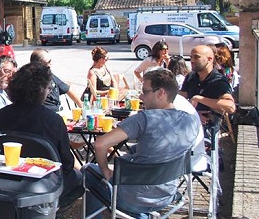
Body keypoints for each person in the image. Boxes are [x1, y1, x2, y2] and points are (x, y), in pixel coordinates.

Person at [84, 69, 200, 218]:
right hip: (167, 196)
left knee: (88, 170)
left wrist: (106, 171)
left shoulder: (145, 118)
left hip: (132, 199)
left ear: (161, 93)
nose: (140, 96)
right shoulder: (192, 120)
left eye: (145, 92)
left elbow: (100, 144)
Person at [0, 62, 83, 209]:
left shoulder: (0, 115)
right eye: (48, 88)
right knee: (79, 176)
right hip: (45, 183)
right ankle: (53, 211)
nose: (49, 92)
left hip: (9, 178)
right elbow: (66, 163)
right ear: (41, 90)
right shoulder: (53, 120)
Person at [180, 45, 236, 120]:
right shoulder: (191, 76)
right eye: (191, 57)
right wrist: (194, 114)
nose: (192, 61)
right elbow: (180, 99)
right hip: (190, 124)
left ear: (209, 59)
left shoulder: (218, 80)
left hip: (210, 128)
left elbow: (230, 107)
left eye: (197, 57)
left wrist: (199, 99)